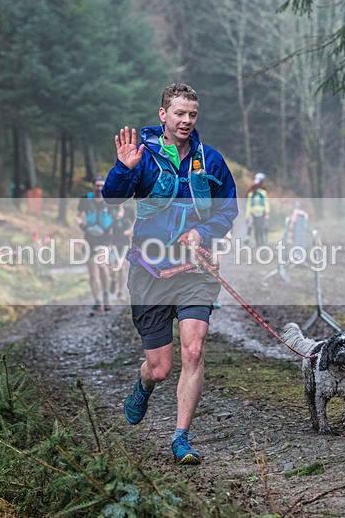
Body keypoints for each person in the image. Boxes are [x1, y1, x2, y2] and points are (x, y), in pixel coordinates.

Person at [102, 82, 238, 465]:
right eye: (179, 113)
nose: (186, 120)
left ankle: (181, 437)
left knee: (193, 349)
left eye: (192, 114)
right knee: (161, 368)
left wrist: (205, 231)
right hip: (149, 271)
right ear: (163, 114)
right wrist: (122, 168)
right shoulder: (143, 155)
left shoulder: (210, 160)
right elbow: (112, 198)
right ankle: (143, 383)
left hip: (195, 269)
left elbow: (228, 209)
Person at [76, 174, 114, 315]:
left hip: (105, 239)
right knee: (92, 273)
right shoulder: (86, 199)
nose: (99, 188)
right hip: (89, 238)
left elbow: (120, 211)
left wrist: (114, 224)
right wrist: (81, 224)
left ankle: (106, 294)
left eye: (102, 185)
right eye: (97, 185)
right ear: (93, 186)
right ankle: (97, 301)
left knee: (102, 265)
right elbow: (77, 215)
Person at [109, 201, 135, 302]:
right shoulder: (110, 210)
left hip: (124, 242)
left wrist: (130, 230)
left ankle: (120, 292)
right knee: (112, 268)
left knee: (122, 267)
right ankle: (113, 280)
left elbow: (135, 222)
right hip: (112, 242)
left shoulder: (129, 210)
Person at [245, 172, 270, 247]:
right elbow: (249, 205)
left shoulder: (263, 193)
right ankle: (258, 243)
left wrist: (267, 213)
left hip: (261, 213)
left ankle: (262, 242)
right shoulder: (251, 194)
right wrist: (248, 216)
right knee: (256, 229)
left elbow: (266, 203)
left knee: (260, 228)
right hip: (254, 214)